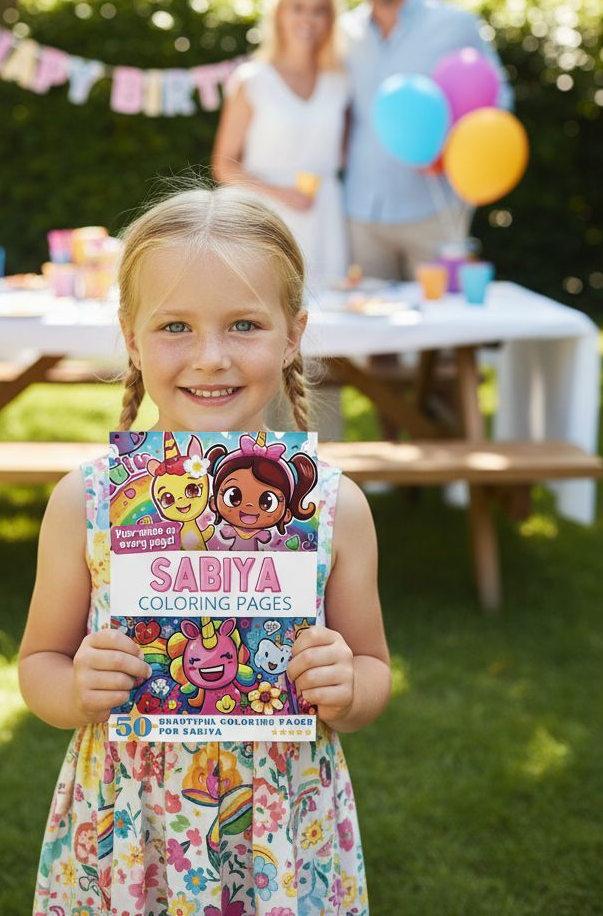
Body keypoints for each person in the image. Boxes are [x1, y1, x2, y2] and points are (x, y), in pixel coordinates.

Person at [19, 185, 391, 916]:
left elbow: (374, 667)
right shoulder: (86, 502)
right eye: (176, 326)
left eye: (244, 324)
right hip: (128, 824)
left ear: (293, 334)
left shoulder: (334, 507)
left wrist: (346, 687)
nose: (211, 357)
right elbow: (39, 663)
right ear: (131, 336)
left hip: (284, 826)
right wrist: (74, 688)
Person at [340, 0, 510, 280]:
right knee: (371, 333)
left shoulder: (454, 24)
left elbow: (498, 102)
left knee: (446, 331)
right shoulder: (343, 33)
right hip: (361, 210)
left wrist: (449, 151)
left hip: (435, 210)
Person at [211, 0, 350, 290]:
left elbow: (341, 154)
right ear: (279, 13)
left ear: (330, 19)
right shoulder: (252, 80)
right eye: (298, 8)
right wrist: (283, 194)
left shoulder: (339, 82)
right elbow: (223, 166)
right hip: (264, 221)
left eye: (318, 10)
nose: (307, 19)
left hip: (324, 217)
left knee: (328, 319)